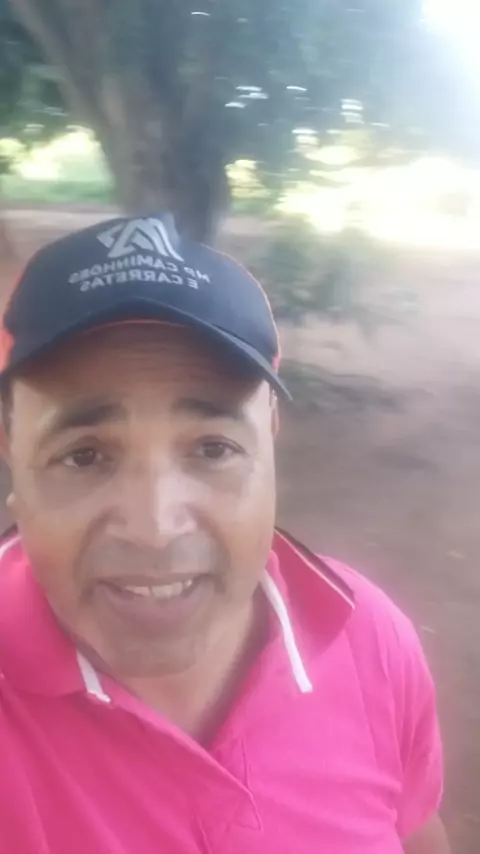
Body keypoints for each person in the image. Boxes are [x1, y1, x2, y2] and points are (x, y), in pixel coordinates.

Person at [0, 214, 449, 853]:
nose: (154, 530)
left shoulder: (368, 638)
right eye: (83, 455)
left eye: (213, 448)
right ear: (13, 453)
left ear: (269, 437)